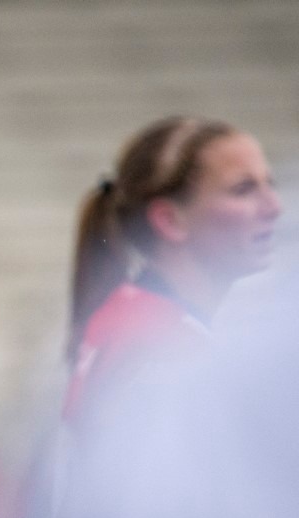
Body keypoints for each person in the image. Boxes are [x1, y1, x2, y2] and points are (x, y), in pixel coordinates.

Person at [62, 115, 281, 427]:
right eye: (243, 189)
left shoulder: (133, 315)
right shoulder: (169, 348)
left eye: (268, 185)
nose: (274, 207)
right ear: (169, 220)